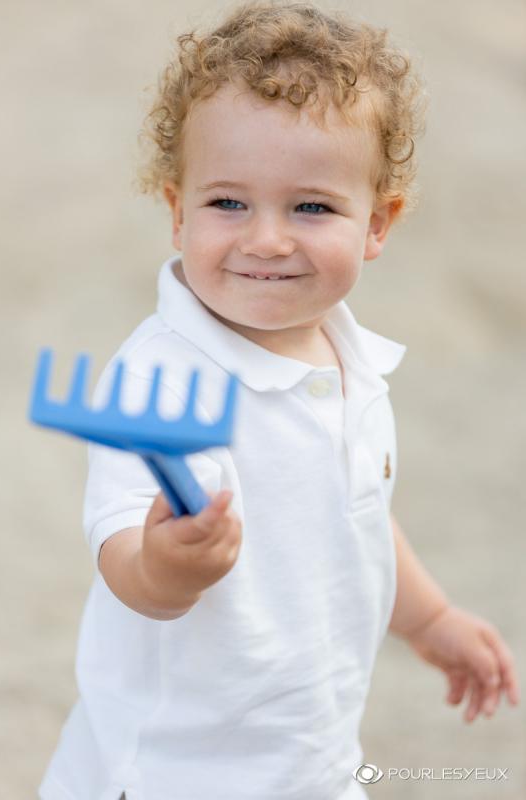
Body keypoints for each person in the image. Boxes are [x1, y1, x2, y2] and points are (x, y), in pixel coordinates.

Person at [38, 2, 520, 799]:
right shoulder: (158, 380)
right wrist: (168, 566)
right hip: (171, 773)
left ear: (378, 223)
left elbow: (354, 513)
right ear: (174, 211)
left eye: (311, 206)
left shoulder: (347, 354)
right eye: (228, 203)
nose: (265, 239)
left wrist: (430, 620)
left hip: (309, 760)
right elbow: (125, 562)